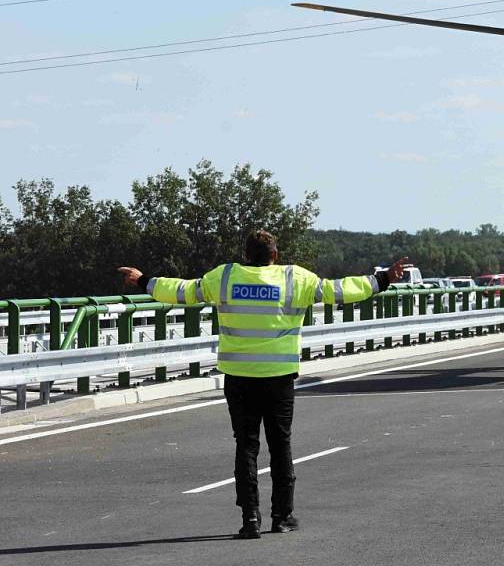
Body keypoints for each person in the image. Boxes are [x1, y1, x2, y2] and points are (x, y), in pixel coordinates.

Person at [118, 230, 409, 539]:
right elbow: (339, 291)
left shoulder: (226, 276)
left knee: (246, 446)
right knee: (280, 445)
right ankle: (282, 516)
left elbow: (183, 291)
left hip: (239, 377)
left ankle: (250, 518)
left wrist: (143, 280)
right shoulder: (294, 279)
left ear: (247, 255)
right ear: (275, 255)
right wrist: (383, 279)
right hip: (278, 377)